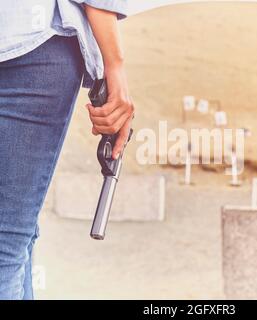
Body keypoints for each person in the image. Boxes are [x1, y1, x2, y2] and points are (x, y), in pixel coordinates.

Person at [0, 0, 134, 299]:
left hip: (30, 49)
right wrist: (114, 66)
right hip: (32, 42)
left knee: (11, 239)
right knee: (10, 240)